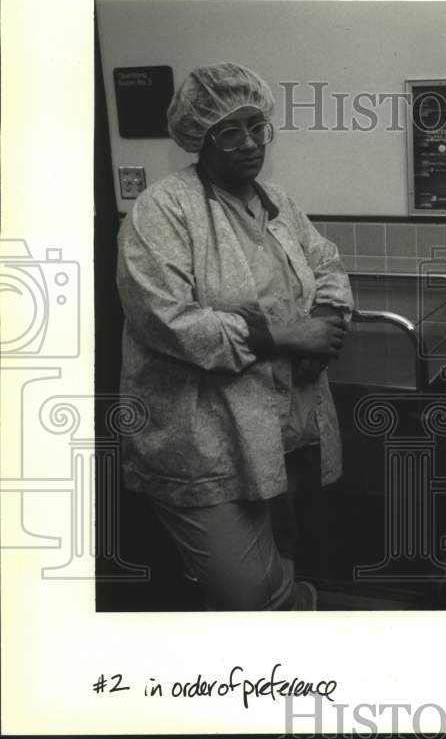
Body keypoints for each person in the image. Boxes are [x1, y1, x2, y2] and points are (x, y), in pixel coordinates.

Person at [117, 62, 354, 610]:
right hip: (204, 438)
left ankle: (291, 665)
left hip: (282, 427)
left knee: (283, 550)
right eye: (229, 131)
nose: (249, 143)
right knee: (245, 592)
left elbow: (327, 264)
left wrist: (326, 314)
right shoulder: (162, 210)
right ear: (200, 137)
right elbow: (166, 320)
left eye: (257, 127)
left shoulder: (276, 202)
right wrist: (290, 337)